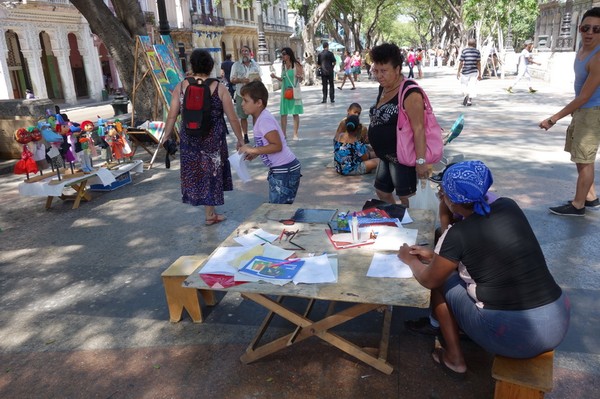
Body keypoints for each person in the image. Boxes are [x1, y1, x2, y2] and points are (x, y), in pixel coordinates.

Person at [399, 160, 570, 380]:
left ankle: (454, 359)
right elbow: (483, 253)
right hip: (559, 318)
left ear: (449, 199)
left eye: (442, 193)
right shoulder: (508, 206)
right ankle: (459, 330)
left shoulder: (458, 234)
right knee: (452, 272)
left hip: (514, 334)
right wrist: (434, 255)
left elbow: (430, 279)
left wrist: (410, 260)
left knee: (441, 282)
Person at [160, 49, 244, 226]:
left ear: (192, 65)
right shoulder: (219, 87)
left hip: (189, 139)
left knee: (196, 172)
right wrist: (240, 138)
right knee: (211, 173)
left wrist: (166, 135)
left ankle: (208, 213)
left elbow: (172, 115)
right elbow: (232, 116)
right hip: (212, 139)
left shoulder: (181, 86)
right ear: (210, 66)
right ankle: (210, 213)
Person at [540, 7, 600, 216]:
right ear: (579, 28)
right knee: (581, 158)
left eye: (596, 29)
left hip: (592, 111)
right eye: (586, 27)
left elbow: (584, 96)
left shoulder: (598, 57)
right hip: (583, 111)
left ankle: (578, 205)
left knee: (585, 160)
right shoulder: (582, 49)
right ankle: (590, 197)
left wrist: (553, 119)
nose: (590, 32)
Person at [368, 42, 429, 207]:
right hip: (386, 157)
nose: (379, 75)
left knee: (407, 198)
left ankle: (414, 228)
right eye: (376, 70)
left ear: (397, 69)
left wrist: (421, 162)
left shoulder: (410, 92)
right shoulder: (384, 88)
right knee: (382, 192)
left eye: (384, 71)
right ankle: (398, 221)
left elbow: (419, 128)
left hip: (402, 157)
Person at [239, 81, 301, 204]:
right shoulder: (259, 117)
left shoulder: (264, 120)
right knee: (278, 210)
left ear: (258, 103)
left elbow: (277, 146)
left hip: (285, 171)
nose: (242, 104)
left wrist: (252, 149)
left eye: (245, 101)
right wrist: (256, 153)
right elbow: (267, 142)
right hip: (282, 170)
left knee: (277, 211)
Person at [270, 47, 304, 141]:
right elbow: (282, 78)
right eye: (282, 54)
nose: (282, 56)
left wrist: (299, 77)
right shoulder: (283, 65)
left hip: (294, 91)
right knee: (283, 113)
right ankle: (283, 134)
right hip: (285, 92)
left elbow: (301, 79)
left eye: (284, 54)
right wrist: (275, 77)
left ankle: (295, 134)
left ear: (289, 55)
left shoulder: (296, 65)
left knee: (295, 113)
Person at [230, 45, 262, 144]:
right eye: (242, 51)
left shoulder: (255, 65)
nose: (244, 53)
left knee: (256, 115)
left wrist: (256, 79)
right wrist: (241, 80)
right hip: (241, 94)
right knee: (243, 116)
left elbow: (260, 78)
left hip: (253, 94)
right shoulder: (236, 65)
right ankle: (246, 135)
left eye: (246, 51)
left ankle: (257, 134)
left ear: (250, 52)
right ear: (240, 53)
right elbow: (232, 79)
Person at [456, 39, 481, 106]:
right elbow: (478, 63)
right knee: (472, 85)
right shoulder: (477, 52)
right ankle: (469, 100)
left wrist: (458, 71)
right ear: (474, 44)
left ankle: (466, 94)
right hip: (474, 71)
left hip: (465, 71)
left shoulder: (464, 51)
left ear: (468, 44)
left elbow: (461, 62)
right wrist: (480, 74)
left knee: (464, 84)